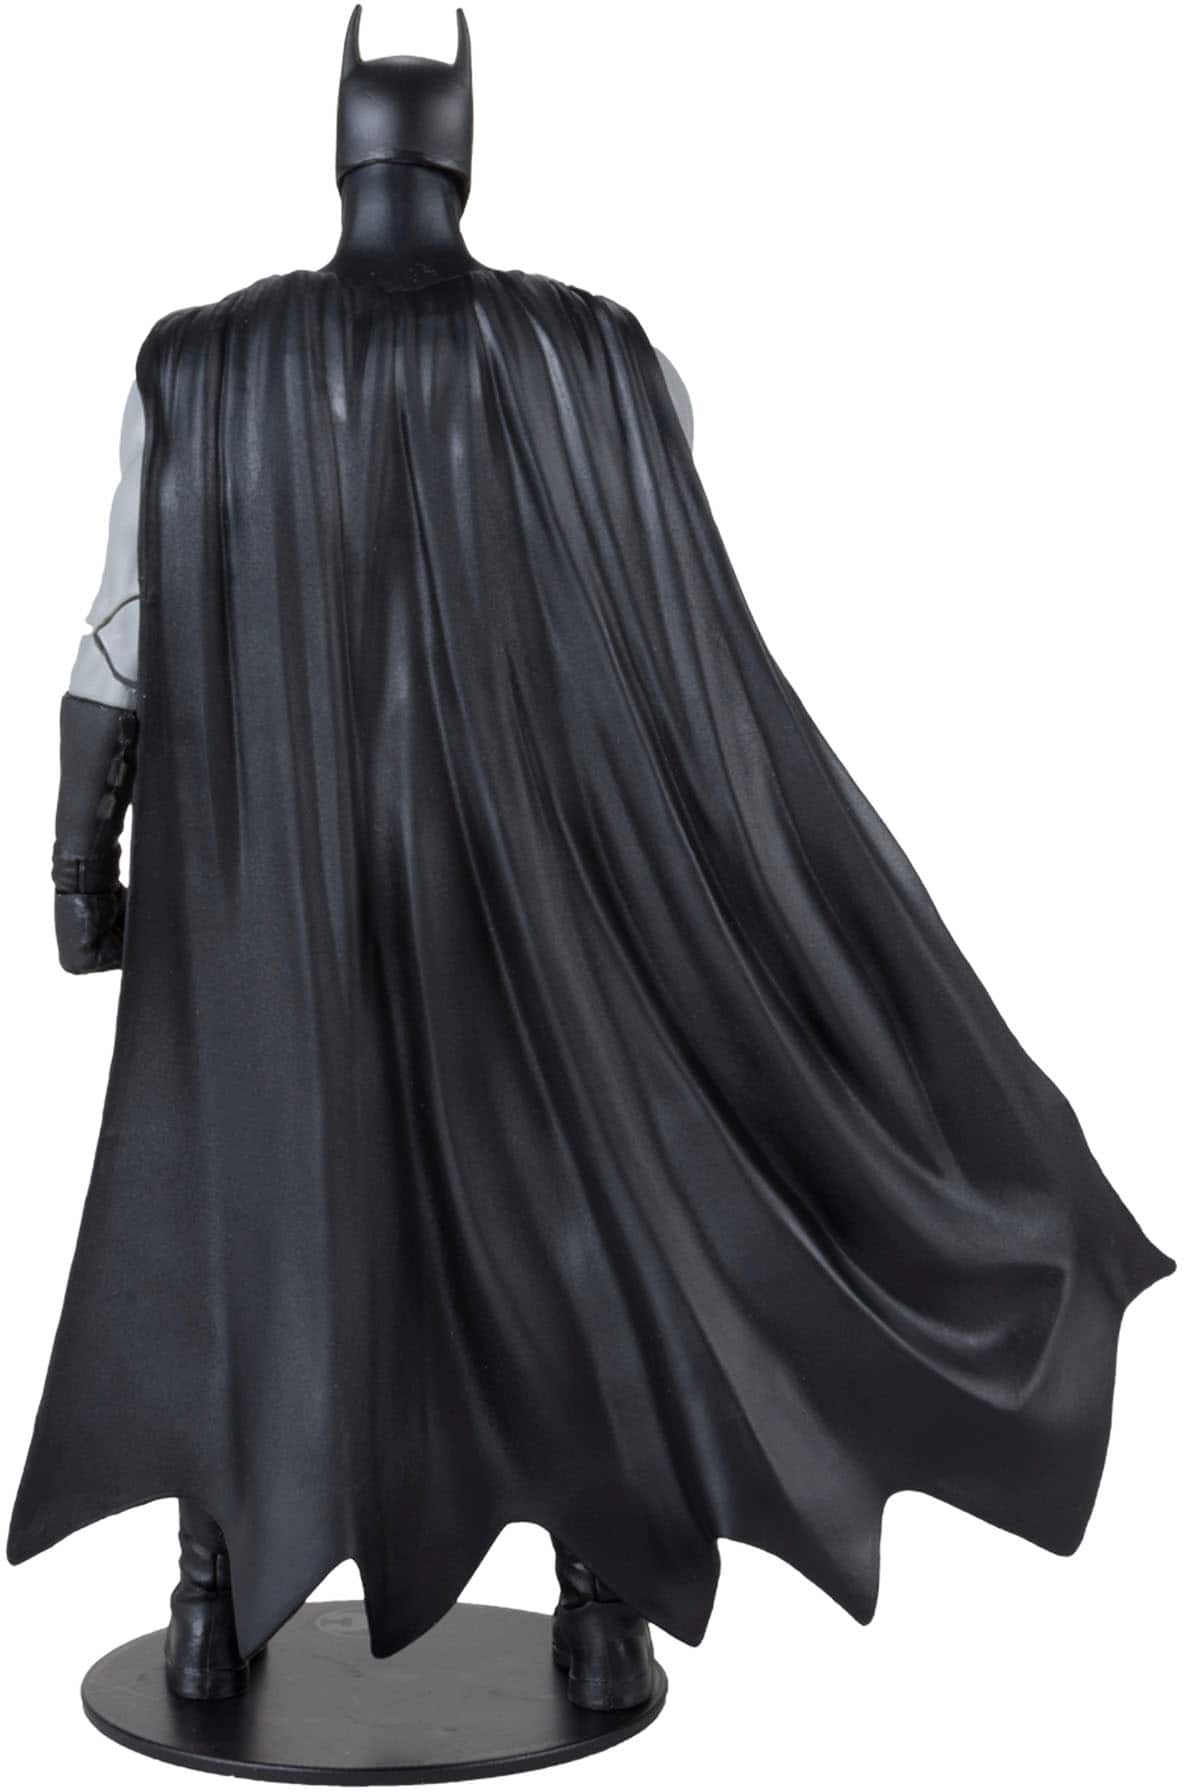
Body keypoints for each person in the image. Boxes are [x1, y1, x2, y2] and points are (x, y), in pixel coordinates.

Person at [11, 5, 1171, 1719]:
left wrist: (79, 862)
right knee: (562, 1222)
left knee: (247, 1215)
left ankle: (208, 1603)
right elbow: (676, 646)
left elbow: (120, 630)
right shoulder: (604, 360)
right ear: (464, 152)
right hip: (519, 893)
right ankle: (599, 1605)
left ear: (338, 150)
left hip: (271, 895)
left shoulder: (195, 367)